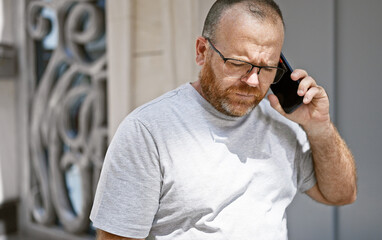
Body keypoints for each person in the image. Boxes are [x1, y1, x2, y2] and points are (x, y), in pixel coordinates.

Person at [90, 0, 357, 239]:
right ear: (202, 51)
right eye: (237, 63)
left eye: (267, 68)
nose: (253, 81)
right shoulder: (146, 132)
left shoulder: (284, 122)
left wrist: (319, 126)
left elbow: (341, 194)